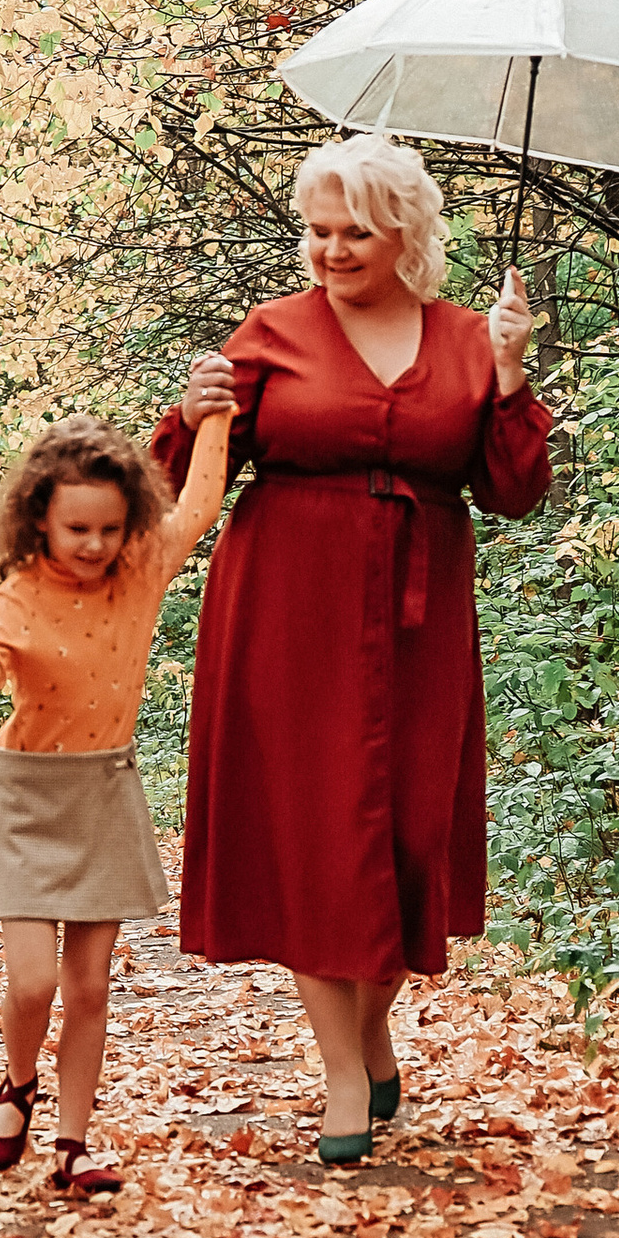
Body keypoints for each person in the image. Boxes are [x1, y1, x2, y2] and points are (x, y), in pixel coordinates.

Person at [153, 131, 549, 1164]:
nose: (329, 250)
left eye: (354, 233)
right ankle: (341, 1072)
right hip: (288, 604)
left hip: (422, 615)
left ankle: (371, 1032)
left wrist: (508, 381)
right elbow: (187, 480)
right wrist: (189, 416)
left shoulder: (468, 338)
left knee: (409, 832)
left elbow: (511, 492)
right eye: (316, 231)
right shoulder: (270, 333)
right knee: (314, 837)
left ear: (404, 233)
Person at [0, 404, 233, 1196]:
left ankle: (73, 1144)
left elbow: (198, 505)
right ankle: (18, 1084)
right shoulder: (21, 592)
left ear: (129, 524)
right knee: (33, 982)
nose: (95, 546)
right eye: (77, 530)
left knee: (89, 987)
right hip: (28, 801)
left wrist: (218, 416)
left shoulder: (142, 568)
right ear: (41, 523)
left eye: (110, 529)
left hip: (105, 791)